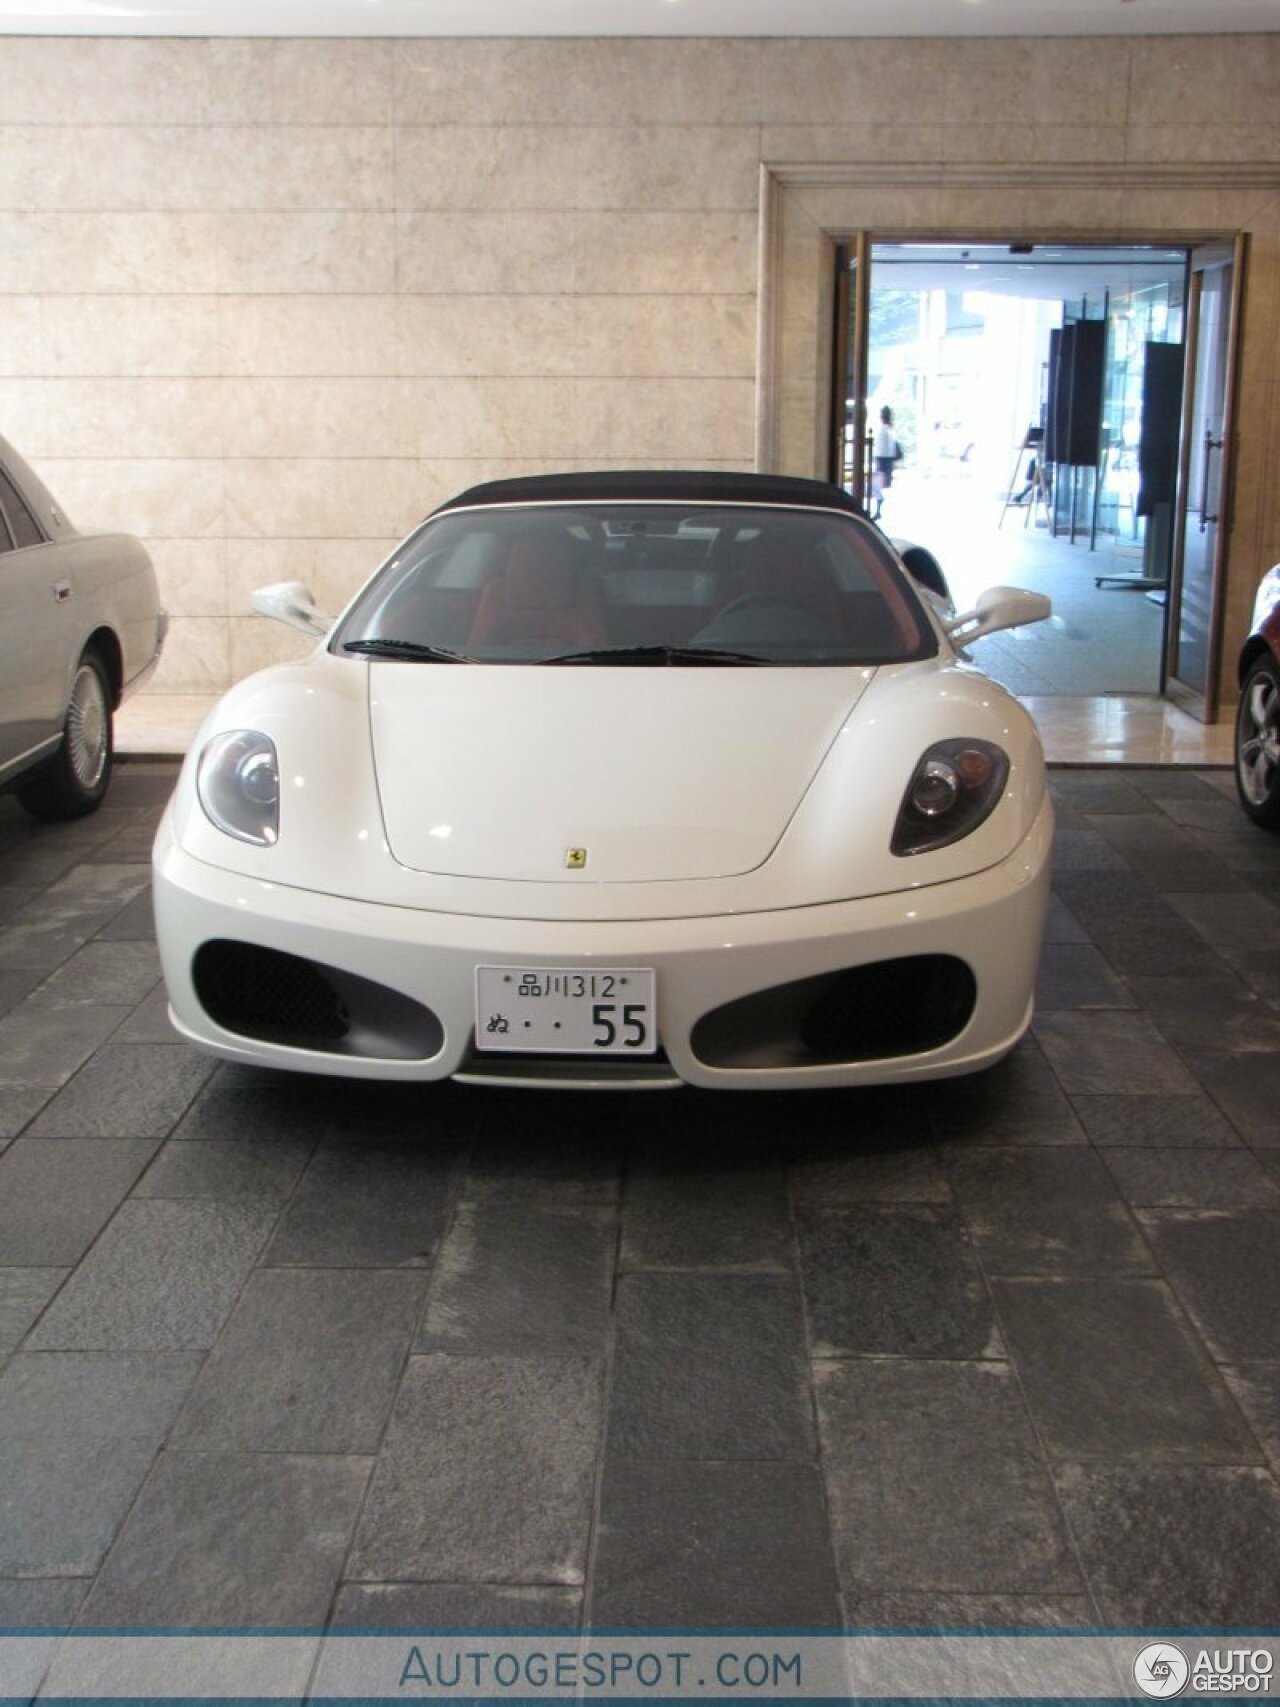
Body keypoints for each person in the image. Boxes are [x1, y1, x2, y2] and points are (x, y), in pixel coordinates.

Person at [871, 405, 900, 521]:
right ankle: (878, 507)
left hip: (881, 459)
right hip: (887, 459)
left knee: (876, 485)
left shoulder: (882, 430)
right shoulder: (891, 430)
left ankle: (878, 507)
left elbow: (878, 448)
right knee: (879, 485)